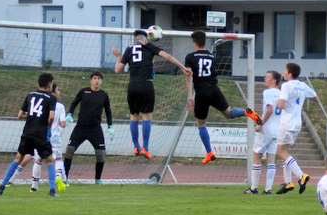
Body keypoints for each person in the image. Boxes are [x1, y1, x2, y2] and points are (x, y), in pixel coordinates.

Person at [185, 30, 262, 164]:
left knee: (200, 123)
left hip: (201, 92)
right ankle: (246, 111)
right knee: (229, 113)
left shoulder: (190, 57)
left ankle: (209, 152)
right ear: (205, 42)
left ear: (195, 43)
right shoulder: (212, 56)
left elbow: (189, 75)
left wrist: (190, 96)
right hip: (214, 89)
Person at [112, 30, 191, 159]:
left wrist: (118, 57)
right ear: (145, 40)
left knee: (134, 116)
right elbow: (168, 57)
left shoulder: (129, 49)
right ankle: (146, 148)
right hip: (146, 85)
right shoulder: (148, 46)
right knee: (147, 117)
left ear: (134, 40)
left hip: (132, 86)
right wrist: (182, 67)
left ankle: (136, 146)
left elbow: (117, 70)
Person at [0, 73, 59, 196]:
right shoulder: (51, 98)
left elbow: (20, 115)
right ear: (49, 84)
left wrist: (32, 115)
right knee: (49, 161)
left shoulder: (30, 95)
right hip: (41, 134)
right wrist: (46, 123)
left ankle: (1, 188)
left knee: (18, 158)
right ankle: (52, 191)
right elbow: (51, 116)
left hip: (28, 132)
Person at [6, 83, 67, 193]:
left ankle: (33, 186)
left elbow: (23, 114)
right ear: (52, 89)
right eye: (58, 89)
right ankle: (58, 179)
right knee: (55, 159)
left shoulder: (36, 98)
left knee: (35, 159)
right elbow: (62, 123)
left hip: (34, 133)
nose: (59, 92)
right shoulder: (58, 104)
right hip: (50, 135)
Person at [64, 70, 114, 185]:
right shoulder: (83, 92)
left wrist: (110, 126)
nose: (97, 80)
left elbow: (108, 111)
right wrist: (70, 114)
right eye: (95, 78)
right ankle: (65, 177)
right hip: (81, 127)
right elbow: (74, 103)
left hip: (95, 129)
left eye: (99, 79)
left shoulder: (104, 95)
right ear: (91, 80)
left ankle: (97, 179)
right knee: (69, 150)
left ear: (101, 81)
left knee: (101, 154)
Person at [275, 63, 318, 195]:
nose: (283, 72)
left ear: (290, 74)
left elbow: (281, 105)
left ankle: (301, 176)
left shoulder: (286, 86)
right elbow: (315, 97)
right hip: (297, 122)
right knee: (285, 152)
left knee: (280, 152)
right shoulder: (303, 85)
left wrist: (278, 102)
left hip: (287, 122)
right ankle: (288, 182)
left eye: (285, 70)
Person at [244, 70, 282, 195]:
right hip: (277, 131)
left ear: (274, 80)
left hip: (266, 130)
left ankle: (254, 188)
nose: (265, 78)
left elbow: (269, 109)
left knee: (257, 157)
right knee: (271, 160)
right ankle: (268, 189)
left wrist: (260, 124)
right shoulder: (281, 94)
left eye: (268, 77)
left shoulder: (268, 92)